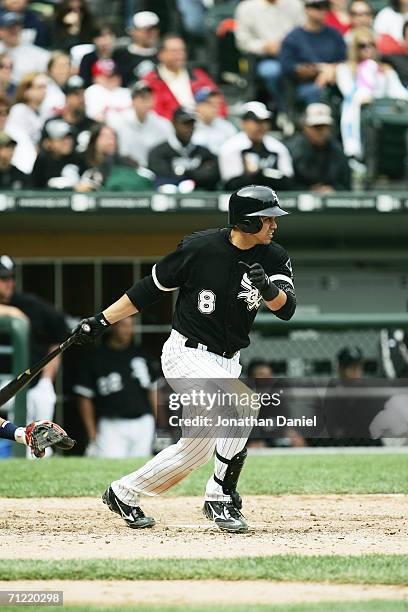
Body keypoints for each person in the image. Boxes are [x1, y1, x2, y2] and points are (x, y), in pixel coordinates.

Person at [73, 184, 297, 533]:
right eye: (267, 219)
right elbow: (148, 289)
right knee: (245, 404)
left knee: (195, 451)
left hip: (228, 360)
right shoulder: (200, 247)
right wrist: (102, 320)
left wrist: (267, 288)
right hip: (186, 354)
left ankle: (123, 492)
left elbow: (287, 310)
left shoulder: (274, 255)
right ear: (247, 222)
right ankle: (220, 496)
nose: (274, 225)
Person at [0, 255, 68, 437]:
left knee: (40, 438)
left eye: (9, 278)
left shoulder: (30, 305)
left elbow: (60, 335)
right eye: (2, 278)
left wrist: (47, 379)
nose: (7, 283)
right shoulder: (14, 309)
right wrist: (11, 313)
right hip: (3, 383)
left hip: (32, 382)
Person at [74, 317, 156, 458]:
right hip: (111, 424)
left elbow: (154, 391)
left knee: (142, 467)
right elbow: (84, 397)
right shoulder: (96, 357)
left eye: (131, 326)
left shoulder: (142, 354)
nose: (128, 331)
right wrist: (92, 434)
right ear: (113, 327)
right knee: (109, 465)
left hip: (143, 422)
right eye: (124, 326)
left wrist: (160, 424)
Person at [336, 27, 408, 159]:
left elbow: (398, 92)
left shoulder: (385, 69)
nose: (368, 49)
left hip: (383, 112)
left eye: (371, 45)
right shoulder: (344, 69)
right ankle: (356, 156)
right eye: (362, 45)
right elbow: (349, 93)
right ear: (355, 48)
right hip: (358, 110)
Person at [234, 0, 304, 112]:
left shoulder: (295, 4)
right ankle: (284, 112)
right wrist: (263, 46)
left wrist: (287, 46)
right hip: (262, 58)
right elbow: (242, 42)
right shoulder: (246, 7)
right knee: (272, 71)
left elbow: (303, 33)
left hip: (294, 56)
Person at [143, 34, 228, 120]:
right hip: (171, 128)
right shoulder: (151, 81)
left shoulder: (198, 75)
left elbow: (219, 102)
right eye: (174, 51)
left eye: (182, 50)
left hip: (205, 124)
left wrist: (212, 114)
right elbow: (154, 114)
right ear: (161, 54)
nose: (180, 55)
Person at [279, 0, 347, 106]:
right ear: (306, 9)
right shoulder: (293, 37)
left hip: (335, 82)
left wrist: (333, 68)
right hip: (303, 85)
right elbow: (288, 66)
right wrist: (320, 69)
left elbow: (345, 59)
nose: (322, 10)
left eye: (325, 7)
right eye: (317, 7)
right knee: (315, 91)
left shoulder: (334, 34)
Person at [218, 101, 294, 191]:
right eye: (256, 121)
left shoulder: (278, 148)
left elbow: (288, 181)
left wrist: (260, 173)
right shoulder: (231, 147)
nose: (261, 126)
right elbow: (231, 184)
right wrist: (266, 175)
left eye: (265, 121)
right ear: (244, 123)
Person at [148, 106, 220, 191]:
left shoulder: (204, 152)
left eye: (192, 123)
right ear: (174, 123)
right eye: (185, 123)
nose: (189, 128)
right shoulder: (159, 152)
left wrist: (182, 172)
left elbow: (213, 175)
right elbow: (163, 177)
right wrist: (196, 174)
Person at [286, 103, 351, 191]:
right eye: (316, 127)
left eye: (325, 127)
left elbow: (346, 184)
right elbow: (285, 185)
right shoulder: (291, 150)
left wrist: (333, 190)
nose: (322, 131)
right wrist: (308, 190)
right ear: (305, 127)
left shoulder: (337, 150)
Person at [107, 80, 172, 168]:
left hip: (155, 169)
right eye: (142, 97)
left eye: (150, 97)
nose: (147, 101)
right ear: (133, 101)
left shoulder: (163, 124)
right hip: (128, 169)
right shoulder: (119, 122)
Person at [77, 123, 154, 192]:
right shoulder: (84, 165)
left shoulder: (128, 164)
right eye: (105, 136)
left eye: (113, 136)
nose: (111, 140)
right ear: (94, 141)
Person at [5, 72, 48, 173]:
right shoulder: (19, 110)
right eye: (39, 87)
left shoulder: (39, 113)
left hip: (31, 165)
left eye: (45, 87)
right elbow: (18, 139)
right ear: (26, 91)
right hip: (19, 165)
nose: (44, 91)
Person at [45, 75, 95, 154]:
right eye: (77, 94)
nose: (82, 99)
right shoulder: (52, 123)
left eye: (83, 93)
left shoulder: (93, 125)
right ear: (66, 97)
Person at [31, 119, 84, 189]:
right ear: (48, 142)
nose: (68, 142)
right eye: (62, 138)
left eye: (69, 137)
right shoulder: (42, 162)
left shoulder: (77, 159)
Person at [0, 11, 49, 84]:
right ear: (1, 31)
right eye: (9, 28)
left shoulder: (39, 54)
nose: (14, 31)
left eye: (17, 27)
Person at [191, 87, 237, 155]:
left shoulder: (226, 126)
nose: (215, 107)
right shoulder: (190, 128)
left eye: (217, 103)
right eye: (210, 103)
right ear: (198, 107)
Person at [119, 11, 160, 86]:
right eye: (147, 30)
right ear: (134, 31)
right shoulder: (122, 55)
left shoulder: (162, 54)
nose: (152, 33)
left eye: (154, 29)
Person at [84, 59, 132, 123]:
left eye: (116, 75)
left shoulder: (127, 92)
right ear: (96, 78)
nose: (114, 78)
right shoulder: (93, 91)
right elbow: (95, 116)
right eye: (109, 76)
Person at [40, 51, 72, 122]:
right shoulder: (42, 86)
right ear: (50, 69)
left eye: (68, 65)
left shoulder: (68, 88)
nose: (65, 70)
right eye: (61, 66)